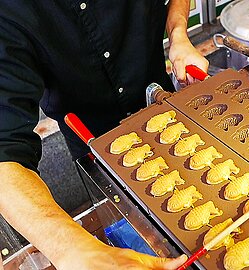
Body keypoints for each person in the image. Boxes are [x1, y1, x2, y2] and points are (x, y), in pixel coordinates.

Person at [0, 0, 208, 269]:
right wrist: (72, 248)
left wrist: (178, 33)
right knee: (130, 227)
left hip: (159, 110)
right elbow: (5, 151)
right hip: (91, 139)